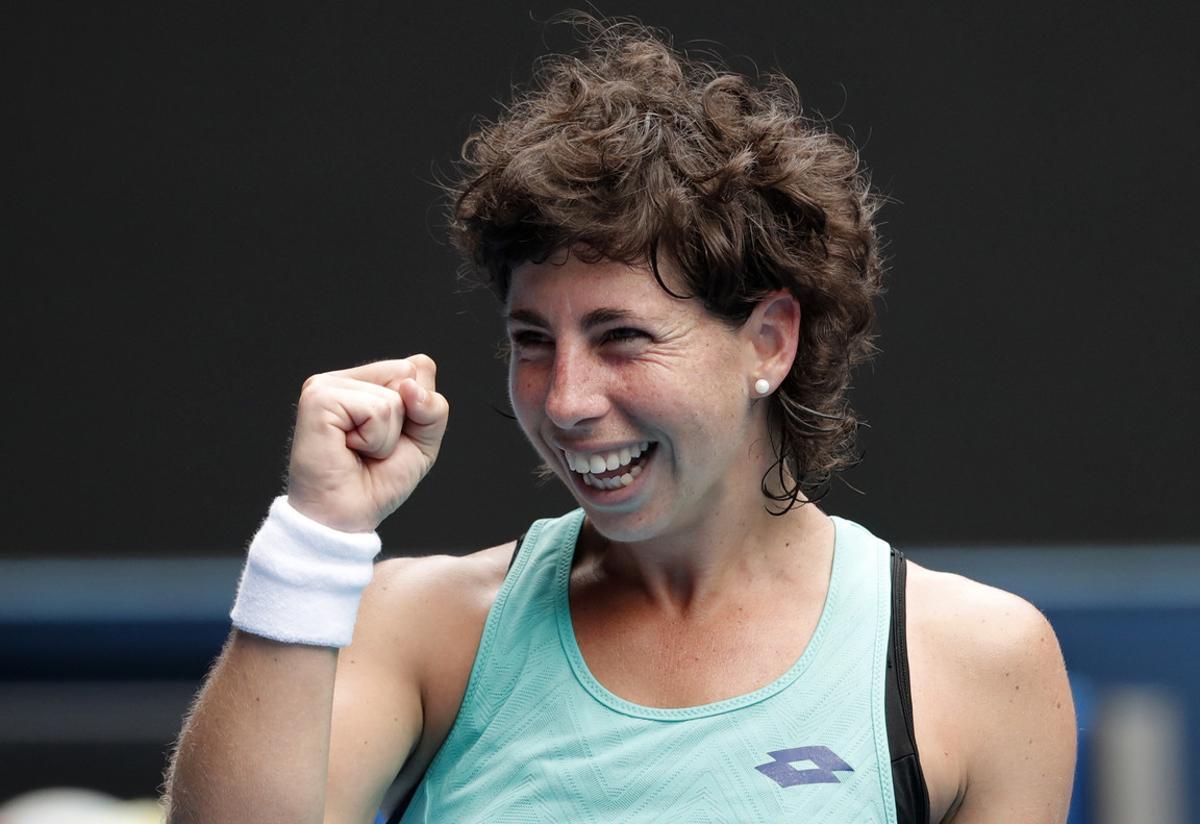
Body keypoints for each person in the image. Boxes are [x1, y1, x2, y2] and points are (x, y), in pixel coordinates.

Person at [164, 17, 1076, 824]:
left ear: (768, 341)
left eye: (623, 337)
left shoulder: (978, 662)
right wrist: (315, 538)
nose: (564, 400)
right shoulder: (419, 628)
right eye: (532, 339)